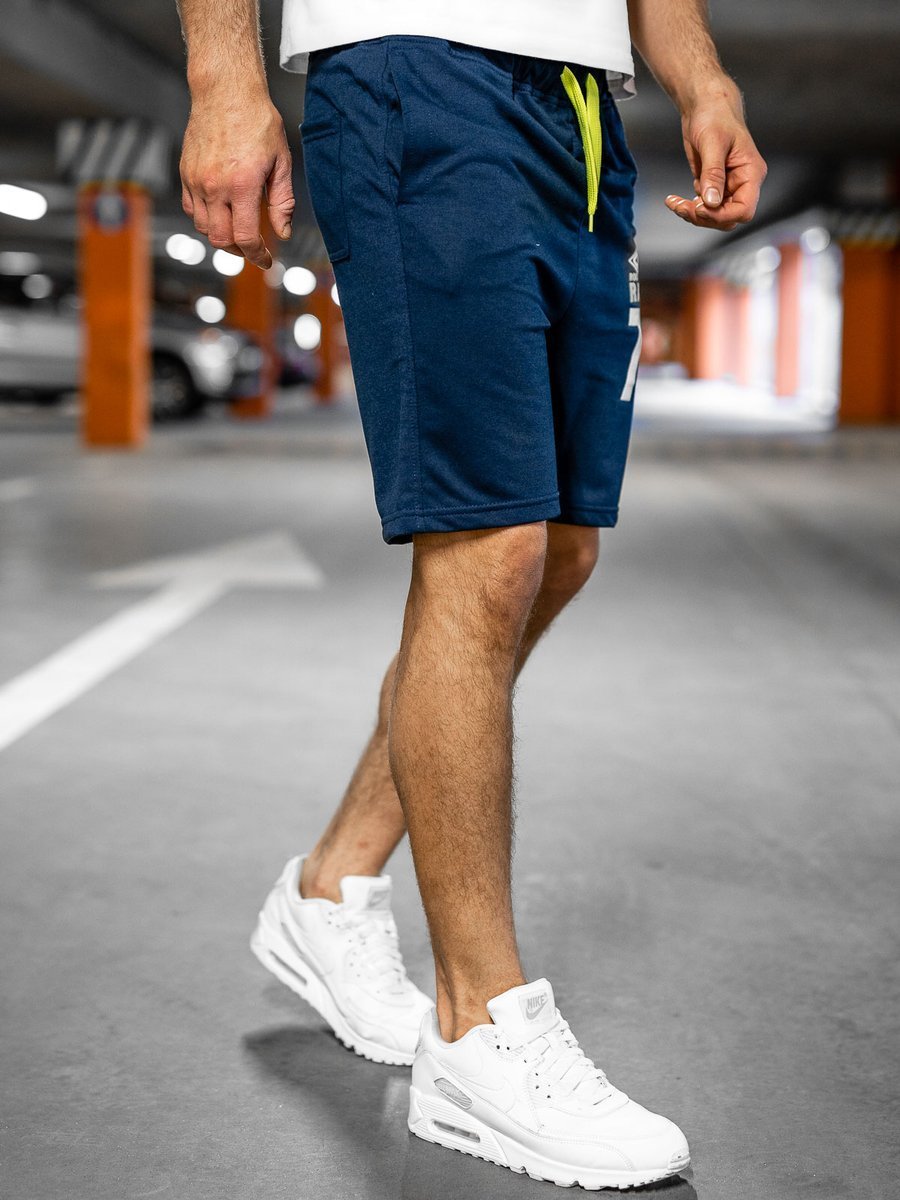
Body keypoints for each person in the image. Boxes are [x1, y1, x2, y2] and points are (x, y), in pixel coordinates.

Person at [177, 0, 766, 1187]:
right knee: (485, 542)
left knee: (557, 546)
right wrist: (220, 76)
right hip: (416, 68)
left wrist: (702, 78)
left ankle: (331, 884)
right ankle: (478, 1028)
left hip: (586, 108)